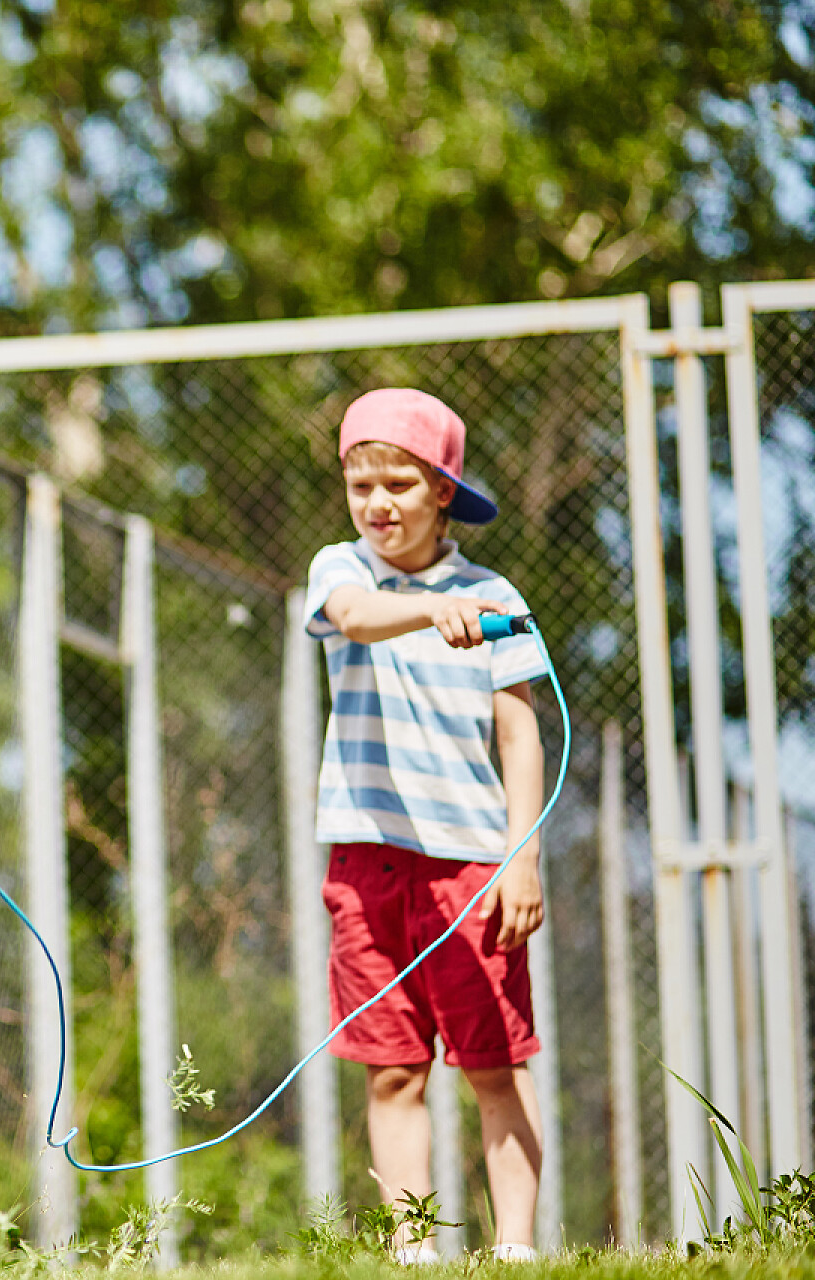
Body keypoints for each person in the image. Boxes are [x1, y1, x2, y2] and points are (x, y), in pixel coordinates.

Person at [303, 389, 549, 1263]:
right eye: (359, 484)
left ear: (443, 489)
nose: (377, 504)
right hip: (367, 863)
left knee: (491, 1068)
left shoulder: (494, 595)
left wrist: (520, 858)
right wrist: (426, 612)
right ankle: (415, 1252)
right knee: (393, 1068)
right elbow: (356, 621)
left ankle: (515, 1248)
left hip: (471, 866)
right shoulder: (343, 569)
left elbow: (518, 732)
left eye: (399, 484)